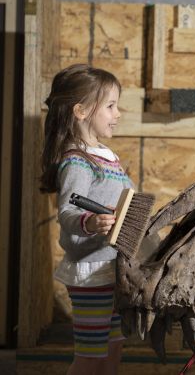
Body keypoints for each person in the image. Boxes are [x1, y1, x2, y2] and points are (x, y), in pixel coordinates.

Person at [41, 64, 131, 375]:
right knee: (91, 355)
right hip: (91, 274)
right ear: (80, 110)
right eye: (110, 106)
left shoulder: (107, 156)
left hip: (111, 270)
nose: (117, 113)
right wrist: (91, 223)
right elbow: (68, 212)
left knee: (114, 347)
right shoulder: (78, 161)